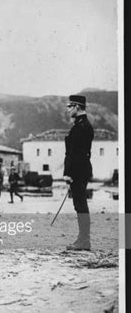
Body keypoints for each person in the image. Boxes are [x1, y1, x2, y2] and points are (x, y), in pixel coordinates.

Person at [63, 95, 94, 251]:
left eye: (70, 107)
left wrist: (69, 173)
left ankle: (84, 241)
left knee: (80, 205)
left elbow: (75, 154)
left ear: (77, 107)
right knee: (80, 204)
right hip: (81, 170)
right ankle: (83, 239)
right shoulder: (81, 125)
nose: (68, 110)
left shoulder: (81, 127)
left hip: (78, 171)